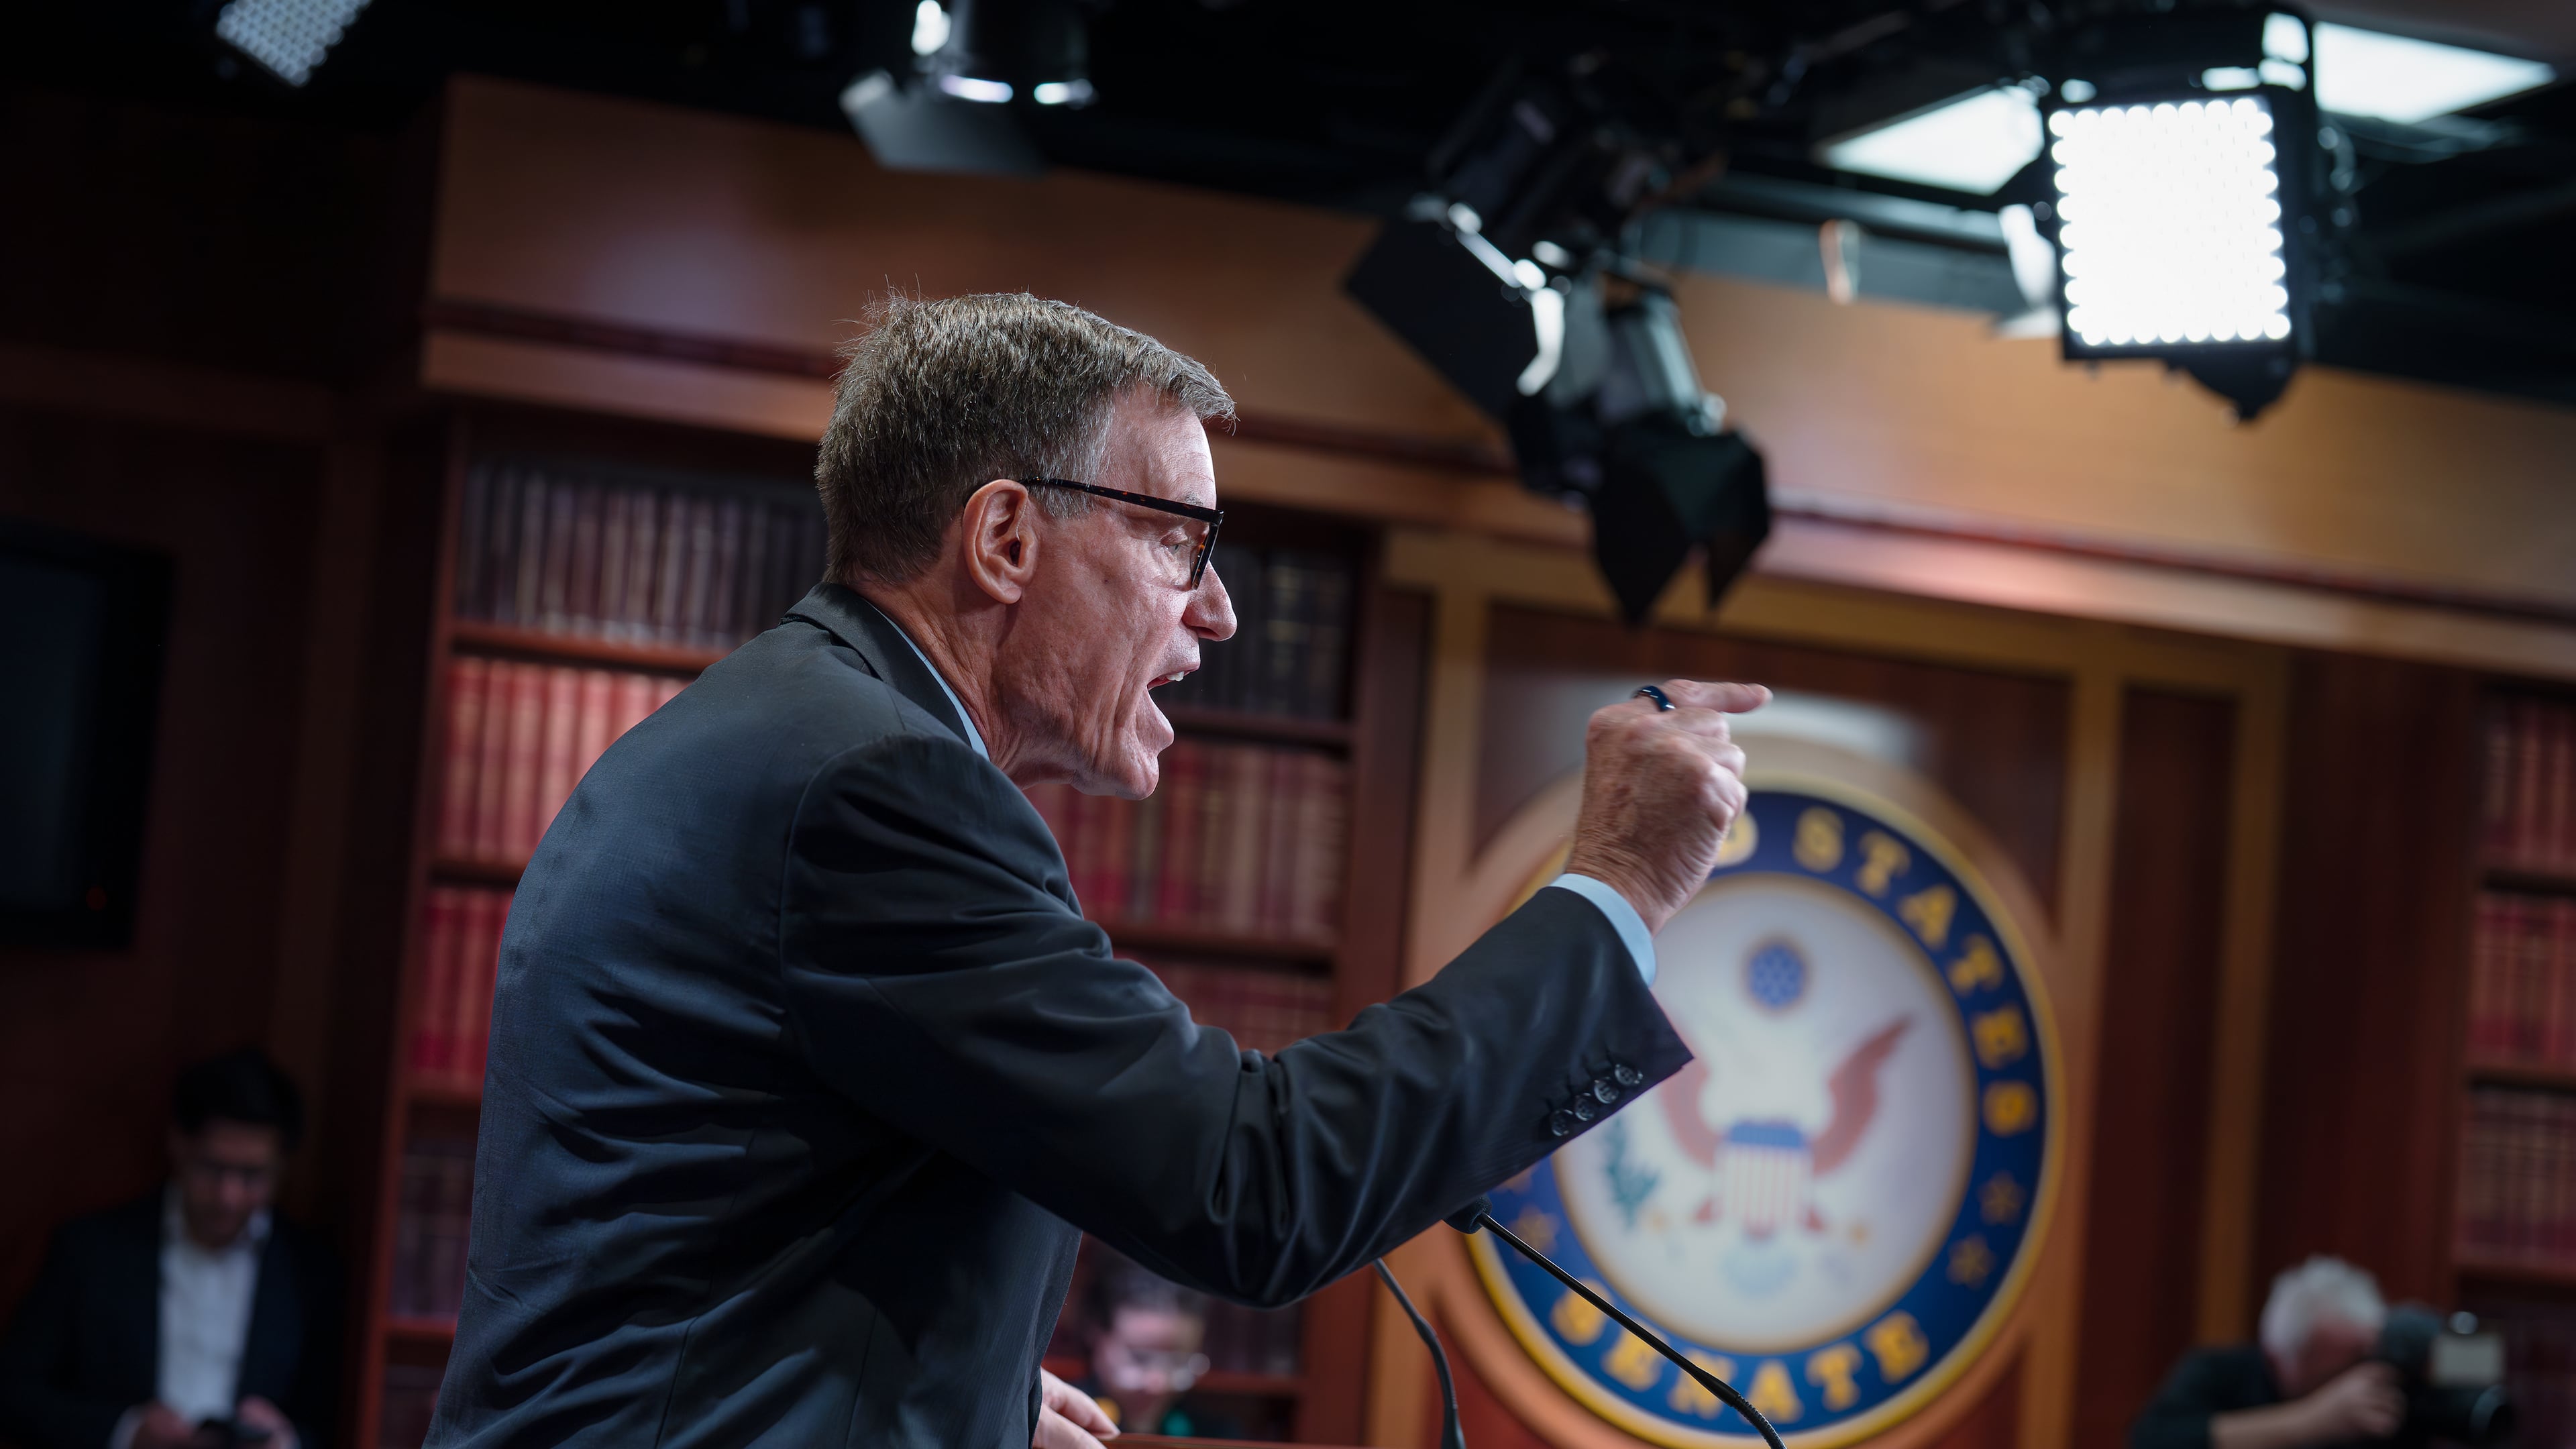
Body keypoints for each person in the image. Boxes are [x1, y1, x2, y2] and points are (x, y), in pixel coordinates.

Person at [427, 292, 1764, 1449]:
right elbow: (1251, 1191)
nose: (1218, 610)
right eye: (1182, 541)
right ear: (1005, 540)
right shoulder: (874, 790)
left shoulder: (774, 735)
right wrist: (1618, 885)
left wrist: (970, 1399)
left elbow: (715, 1237)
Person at [0, 1049, 340, 1449]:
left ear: (282, 1165)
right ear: (178, 1145)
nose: (228, 1197)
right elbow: (14, 1393)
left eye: (252, 1175)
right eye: (212, 1168)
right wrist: (126, 1431)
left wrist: (286, 1442)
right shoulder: (91, 1250)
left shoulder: (311, 1271)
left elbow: (338, 1419)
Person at [2132, 1256, 2406, 1449]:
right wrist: (2313, 1420)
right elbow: (2154, 1439)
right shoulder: (2219, 1373)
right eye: (2335, 1366)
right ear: (2278, 1357)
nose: (2353, 1377)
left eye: (2362, 1355)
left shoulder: (2391, 1381)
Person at [1071, 1250, 1240, 1441]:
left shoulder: (1216, 1437)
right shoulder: (1058, 1418)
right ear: (1094, 1332)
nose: (1157, 1383)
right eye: (1139, 1358)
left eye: (1177, 1361)